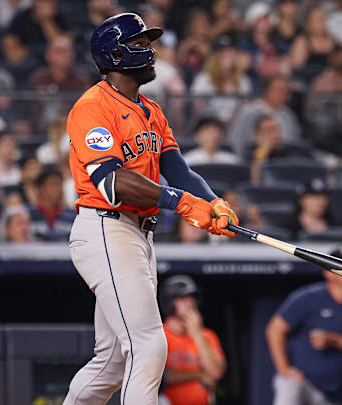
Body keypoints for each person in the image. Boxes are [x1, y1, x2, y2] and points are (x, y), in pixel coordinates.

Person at [63, 13, 239, 405]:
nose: (150, 51)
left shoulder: (150, 109)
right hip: (107, 229)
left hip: (139, 233)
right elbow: (110, 181)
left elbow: (177, 169)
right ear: (115, 54)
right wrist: (181, 202)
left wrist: (212, 202)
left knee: (109, 364)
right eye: (140, 44)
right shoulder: (92, 107)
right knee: (149, 346)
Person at [265, 247, 342, 405]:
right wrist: (284, 369)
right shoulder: (309, 297)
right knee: (288, 385)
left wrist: (332, 341)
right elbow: (275, 329)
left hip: (335, 390)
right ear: (328, 271)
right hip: (302, 381)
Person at [160, 275, 226, 405]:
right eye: (183, 298)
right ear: (169, 302)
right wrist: (199, 375)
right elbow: (163, 376)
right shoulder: (160, 335)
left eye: (191, 298)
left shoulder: (206, 335)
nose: (190, 303)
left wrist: (196, 335)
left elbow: (216, 373)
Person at [228, 75, 302, 157]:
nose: (281, 93)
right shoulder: (248, 112)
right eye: (277, 89)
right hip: (252, 159)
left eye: (285, 91)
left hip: (283, 162)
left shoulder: (288, 115)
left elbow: (294, 143)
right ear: (267, 90)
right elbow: (235, 141)